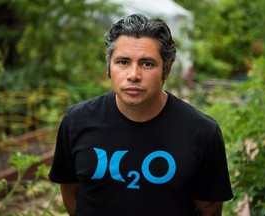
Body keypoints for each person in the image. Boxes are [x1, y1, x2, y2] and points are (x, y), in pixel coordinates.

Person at [49, 13, 233, 216]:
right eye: (123, 62)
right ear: (109, 66)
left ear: (167, 69)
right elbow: (71, 196)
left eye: (147, 63)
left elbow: (210, 211)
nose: (133, 75)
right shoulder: (76, 121)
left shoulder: (202, 132)